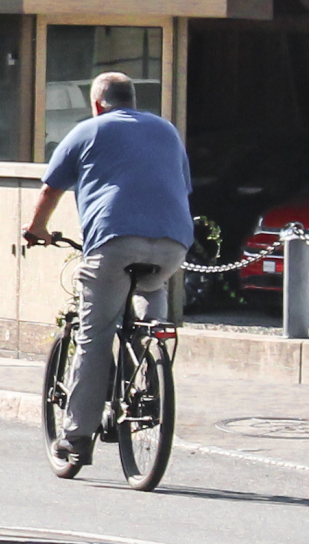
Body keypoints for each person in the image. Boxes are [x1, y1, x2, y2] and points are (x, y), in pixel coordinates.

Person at [22, 72, 192, 474]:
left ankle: (78, 436)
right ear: (132, 100)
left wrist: (36, 230)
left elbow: (50, 190)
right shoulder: (167, 131)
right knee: (151, 290)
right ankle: (150, 367)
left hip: (114, 242)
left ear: (98, 104)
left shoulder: (89, 130)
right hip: (173, 244)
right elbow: (183, 189)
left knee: (94, 335)